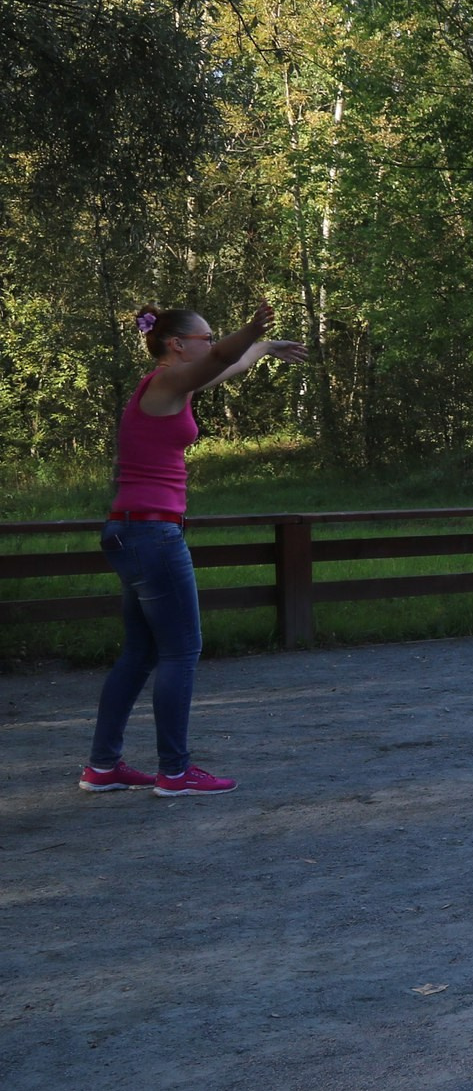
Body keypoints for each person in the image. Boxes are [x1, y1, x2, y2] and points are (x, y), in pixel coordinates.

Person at [82, 303, 305, 797]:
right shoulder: (163, 385)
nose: (212, 342)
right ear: (176, 344)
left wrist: (264, 348)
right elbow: (223, 356)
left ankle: (103, 767)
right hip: (152, 536)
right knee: (181, 651)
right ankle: (175, 771)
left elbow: (226, 363)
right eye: (205, 336)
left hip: (133, 532)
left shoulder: (171, 385)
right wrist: (251, 329)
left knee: (140, 653)